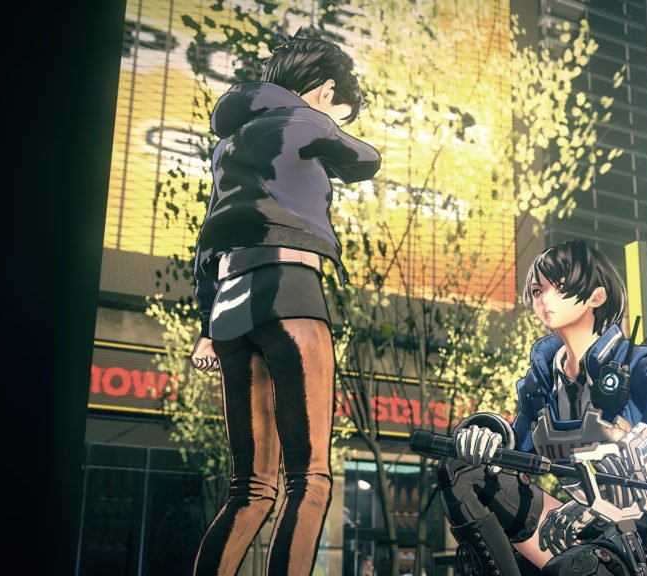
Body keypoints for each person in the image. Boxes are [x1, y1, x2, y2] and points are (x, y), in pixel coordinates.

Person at [188, 27, 381, 576]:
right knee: (309, 479)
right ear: (324, 91)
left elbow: (207, 244)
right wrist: (327, 126)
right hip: (290, 292)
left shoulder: (228, 146)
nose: (337, 120)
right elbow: (365, 160)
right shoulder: (304, 118)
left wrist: (206, 328)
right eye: (340, 110)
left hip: (229, 311)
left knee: (249, 489)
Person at [438, 240, 647, 575]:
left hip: (646, 538)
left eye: (558, 287)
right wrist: (486, 439)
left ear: (596, 297)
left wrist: (607, 508)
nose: (544, 299)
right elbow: (514, 457)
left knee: (572, 569)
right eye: (537, 290)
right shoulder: (542, 382)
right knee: (463, 471)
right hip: (575, 529)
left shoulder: (646, 369)